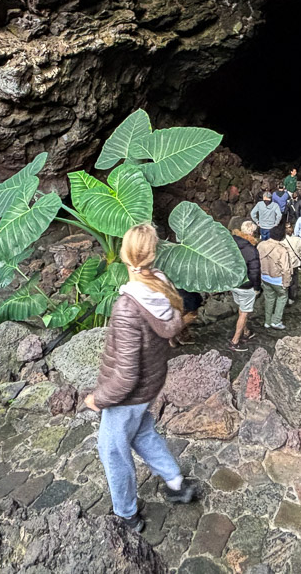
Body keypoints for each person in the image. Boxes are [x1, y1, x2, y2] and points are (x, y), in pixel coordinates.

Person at [84, 225, 198, 532]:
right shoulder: (161, 286)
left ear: (124, 255)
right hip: (151, 384)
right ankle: (176, 483)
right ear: (152, 254)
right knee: (141, 433)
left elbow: (125, 375)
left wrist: (98, 399)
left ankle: (126, 515)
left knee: (112, 450)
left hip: (130, 395)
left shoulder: (128, 307)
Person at [229, 221, 260, 352]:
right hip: (246, 286)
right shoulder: (251, 250)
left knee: (241, 308)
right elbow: (255, 272)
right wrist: (257, 287)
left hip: (233, 282)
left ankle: (246, 331)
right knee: (244, 313)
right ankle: (235, 341)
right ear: (252, 233)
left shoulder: (231, 243)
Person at [257, 222, 292, 330]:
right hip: (278, 279)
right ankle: (276, 321)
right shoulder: (282, 250)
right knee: (282, 298)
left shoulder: (261, 245)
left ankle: (267, 321)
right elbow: (286, 269)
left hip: (264, 277)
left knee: (269, 298)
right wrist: (287, 282)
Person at [283, 223, 301, 305]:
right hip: (295, 265)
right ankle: (292, 297)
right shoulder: (298, 240)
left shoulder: (281, 241)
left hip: (284, 264)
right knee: (294, 281)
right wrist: (300, 259)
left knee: (284, 281)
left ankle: (284, 297)